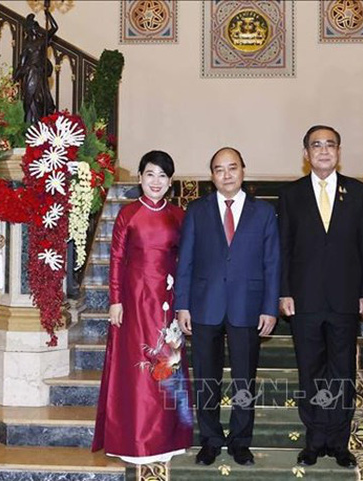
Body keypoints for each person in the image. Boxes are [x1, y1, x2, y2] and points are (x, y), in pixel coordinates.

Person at [278, 125, 363, 469]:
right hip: (303, 299)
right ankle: (314, 438)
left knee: (342, 372)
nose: (323, 151)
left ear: (339, 151)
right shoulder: (291, 195)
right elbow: (284, 248)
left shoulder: (359, 192)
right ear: (305, 154)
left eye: (330, 145)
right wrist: (284, 292)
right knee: (310, 371)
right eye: (316, 145)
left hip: (346, 298)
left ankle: (338, 440)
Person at [175, 147, 280, 467]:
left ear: (243, 172)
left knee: (244, 378)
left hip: (247, 306)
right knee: (207, 376)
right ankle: (210, 439)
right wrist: (182, 305)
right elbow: (186, 260)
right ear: (212, 176)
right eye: (219, 169)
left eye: (232, 168)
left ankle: (240, 441)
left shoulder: (263, 213)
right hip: (205, 305)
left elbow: (272, 262)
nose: (226, 174)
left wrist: (270, 307)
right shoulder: (197, 210)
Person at [92, 151, 193, 464]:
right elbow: (117, 259)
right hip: (134, 302)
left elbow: (186, 261)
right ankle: (134, 438)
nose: (156, 181)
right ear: (140, 177)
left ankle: (168, 438)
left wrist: (183, 301)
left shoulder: (179, 215)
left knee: (168, 363)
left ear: (170, 182)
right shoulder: (128, 214)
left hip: (168, 301)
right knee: (136, 367)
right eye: (150, 174)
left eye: (163, 176)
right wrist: (115, 300)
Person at [13, 9, 57, 124]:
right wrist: (15, 77)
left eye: (35, 27)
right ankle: (29, 126)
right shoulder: (26, 45)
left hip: (38, 74)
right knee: (28, 101)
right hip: (29, 74)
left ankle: (39, 125)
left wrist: (48, 15)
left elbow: (54, 28)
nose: (34, 29)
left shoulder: (42, 41)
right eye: (31, 28)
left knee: (39, 99)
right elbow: (22, 63)